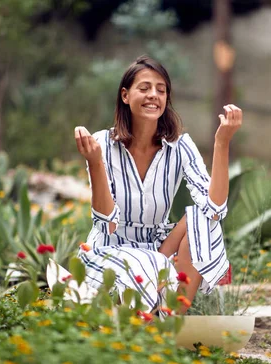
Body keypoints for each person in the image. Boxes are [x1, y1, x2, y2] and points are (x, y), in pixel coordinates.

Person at [73, 55, 241, 314]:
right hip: (110, 248)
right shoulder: (103, 144)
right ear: (125, 96)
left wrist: (222, 142)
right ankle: (146, 323)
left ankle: (170, 324)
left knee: (204, 219)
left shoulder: (181, 146)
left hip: (158, 249)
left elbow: (215, 208)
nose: (154, 95)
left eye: (161, 90)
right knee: (142, 264)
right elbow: (107, 222)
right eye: (145, 88)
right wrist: (95, 163)